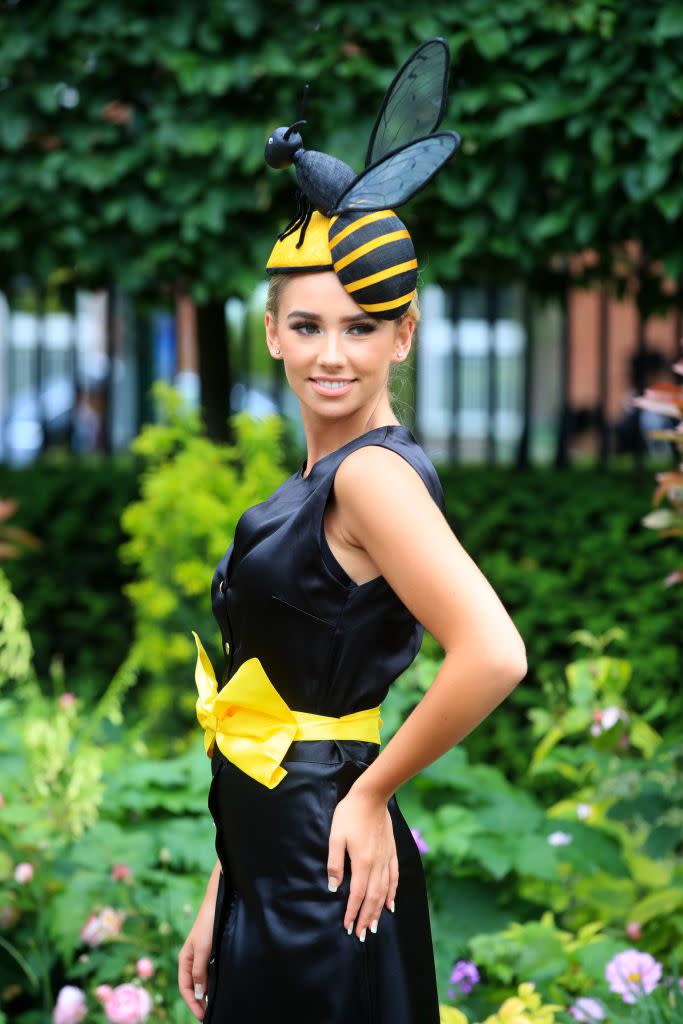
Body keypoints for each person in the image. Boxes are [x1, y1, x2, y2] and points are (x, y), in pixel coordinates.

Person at [178, 38, 527, 1024]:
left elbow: (492, 653)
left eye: (363, 324)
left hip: (321, 860)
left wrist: (371, 794)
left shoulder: (371, 476)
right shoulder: (323, 473)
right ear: (271, 331)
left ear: (402, 335)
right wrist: (222, 888)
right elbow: (271, 701)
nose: (332, 353)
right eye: (308, 325)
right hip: (270, 855)